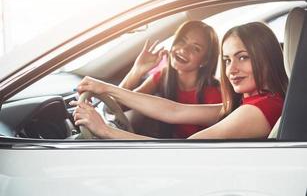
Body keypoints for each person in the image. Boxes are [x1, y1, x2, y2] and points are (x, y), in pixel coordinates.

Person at [72, 22, 288, 140]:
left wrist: (106, 131)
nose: (231, 69)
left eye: (243, 57)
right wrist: (104, 87)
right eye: (227, 60)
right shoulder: (254, 102)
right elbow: (175, 111)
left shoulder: (259, 109)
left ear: (266, 57)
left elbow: (183, 151)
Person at [118, 20, 221, 138]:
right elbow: (120, 106)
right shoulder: (163, 76)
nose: (183, 50)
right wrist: (136, 71)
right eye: (182, 41)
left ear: (204, 61)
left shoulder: (214, 94)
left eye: (195, 48)